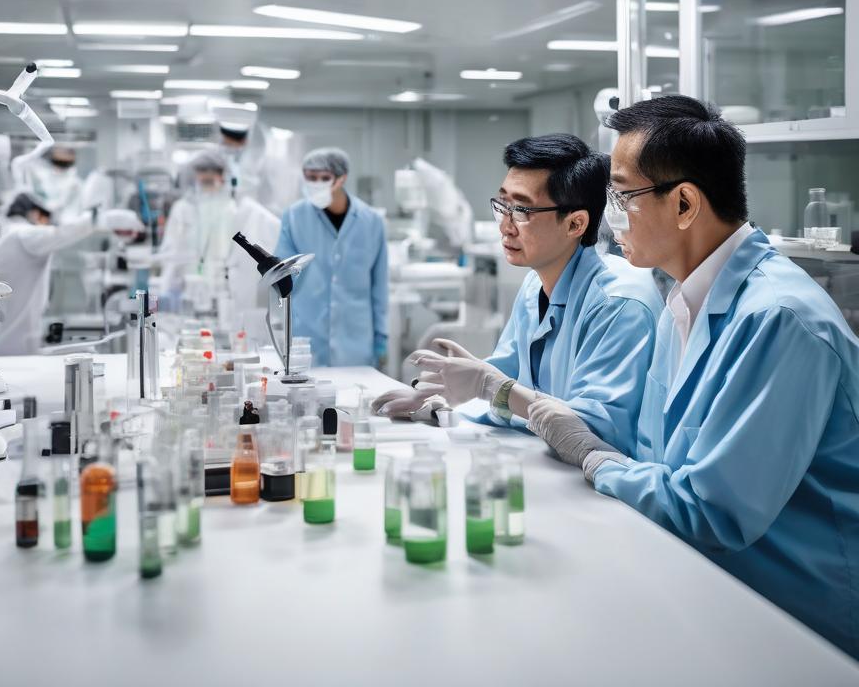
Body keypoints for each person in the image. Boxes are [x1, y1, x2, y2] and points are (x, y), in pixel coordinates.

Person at [527, 96, 859, 658]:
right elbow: (659, 457)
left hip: (800, 622)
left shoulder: (778, 320)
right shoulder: (682, 302)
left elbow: (711, 512)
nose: (610, 216)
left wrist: (594, 458)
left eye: (622, 196)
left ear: (684, 203)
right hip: (711, 587)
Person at [376, 135, 661, 456]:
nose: (505, 226)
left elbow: (593, 431)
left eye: (522, 210)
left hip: (605, 486)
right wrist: (444, 398)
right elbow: (507, 376)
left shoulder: (619, 303)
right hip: (547, 465)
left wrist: (493, 388)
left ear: (575, 223)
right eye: (503, 206)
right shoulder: (534, 286)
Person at [0, 193, 140, 355]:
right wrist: (100, 219)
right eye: (46, 219)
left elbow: (66, 242)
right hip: (10, 348)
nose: (48, 224)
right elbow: (60, 234)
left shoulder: (8, 237)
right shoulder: (24, 234)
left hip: (5, 344)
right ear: (35, 214)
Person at [276, 148, 388, 367]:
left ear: (342, 178)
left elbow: (379, 283)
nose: (316, 183)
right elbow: (282, 274)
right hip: (306, 335)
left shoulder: (371, 221)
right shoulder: (294, 216)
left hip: (355, 339)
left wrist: (381, 335)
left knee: (357, 397)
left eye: (324, 178)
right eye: (310, 177)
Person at [158, 148, 280, 317]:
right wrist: (169, 289)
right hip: (189, 293)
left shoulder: (234, 209)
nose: (206, 178)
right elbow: (171, 254)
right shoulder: (183, 210)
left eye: (212, 173)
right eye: (202, 173)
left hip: (226, 295)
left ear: (223, 175)